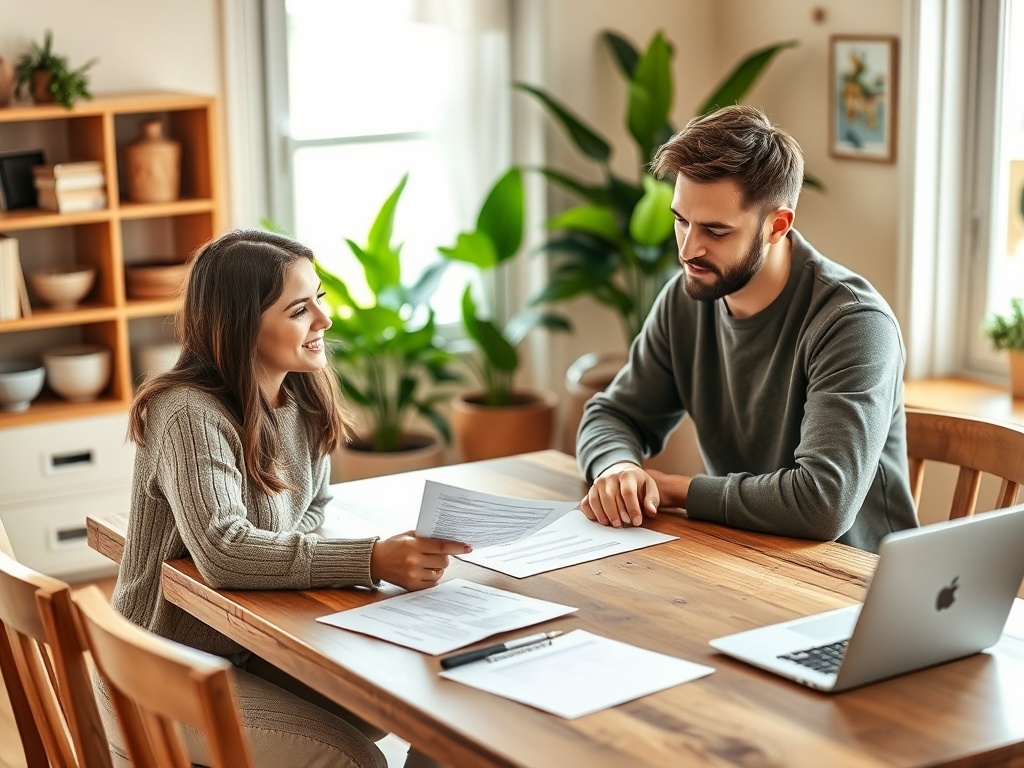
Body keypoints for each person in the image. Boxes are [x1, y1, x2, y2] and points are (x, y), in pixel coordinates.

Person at [102, 229, 468, 767]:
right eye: (300, 310)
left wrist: (281, 556)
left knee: (433, 710)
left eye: (318, 298)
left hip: (240, 645)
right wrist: (371, 558)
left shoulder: (300, 395)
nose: (325, 320)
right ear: (241, 327)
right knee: (356, 758)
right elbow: (224, 549)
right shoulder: (186, 412)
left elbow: (312, 508)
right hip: (155, 668)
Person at [577, 105, 917, 554]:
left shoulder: (854, 324)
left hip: (851, 578)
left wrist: (675, 489)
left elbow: (823, 503)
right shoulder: (686, 299)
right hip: (739, 557)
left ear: (777, 226)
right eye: (681, 220)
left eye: (716, 231)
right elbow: (613, 414)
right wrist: (617, 469)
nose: (688, 249)